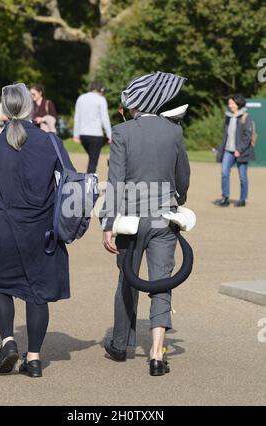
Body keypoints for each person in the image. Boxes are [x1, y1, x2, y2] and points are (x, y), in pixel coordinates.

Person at [0, 83, 75, 378]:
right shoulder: (50, 142)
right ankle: (33, 359)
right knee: (37, 294)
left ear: (5, 110)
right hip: (43, 230)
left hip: (7, 228)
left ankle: (7, 342)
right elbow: (69, 183)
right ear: (30, 107)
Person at [100, 72, 190, 376]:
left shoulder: (122, 132)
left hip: (130, 220)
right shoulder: (173, 132)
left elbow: (116, 182)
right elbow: (182, 176)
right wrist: (179, 198)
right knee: (161, 281)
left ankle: (120, 344)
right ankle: (155, 353)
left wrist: (108, 223)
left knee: (127, 279)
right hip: (165, 216)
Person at [216, 94, 254, 207]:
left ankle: (242, 199)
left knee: (242, 177)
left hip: (241, 151)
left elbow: (247, 136)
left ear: (238, 103)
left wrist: (239, 149)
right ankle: (225, 198)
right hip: (228, 150)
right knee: (224, 173)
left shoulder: (245, 117)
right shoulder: (228, 117)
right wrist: (220, 149)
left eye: (232, 103)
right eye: (229, 103)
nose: (230, 105)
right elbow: (225, 134)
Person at [73, 81, 112, 173]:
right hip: (96, 135)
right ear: (101, 90)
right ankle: (89, 185)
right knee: (93, 162)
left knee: (92, 158)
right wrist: (110, 135)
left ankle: (89, 182)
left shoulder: (81, 98)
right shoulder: (101, 99)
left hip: (83, 135)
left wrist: (75, 134)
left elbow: (77, 117)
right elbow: (105, 119)